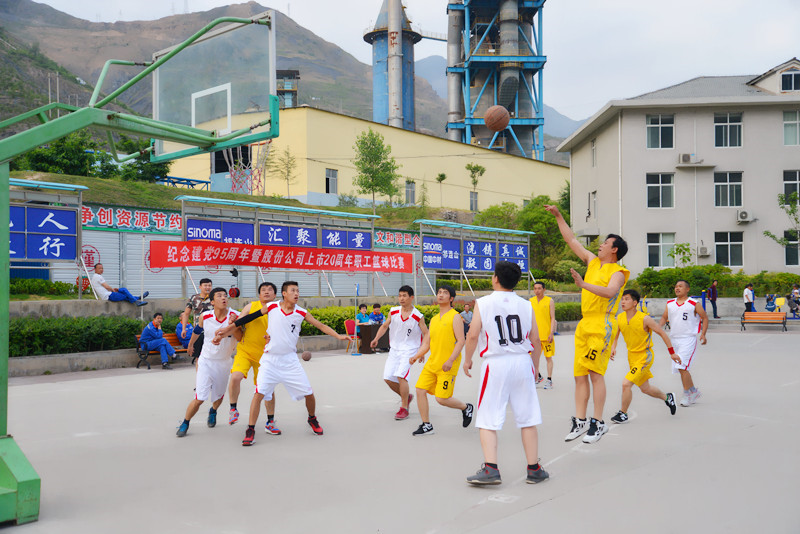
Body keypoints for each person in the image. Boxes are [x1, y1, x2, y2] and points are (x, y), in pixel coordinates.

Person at [214, 281, 348, 446]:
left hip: (289, 360)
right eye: (293, 291)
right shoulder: (272, 307)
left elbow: (320, 326)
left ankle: (312, 418)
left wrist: (339, 336)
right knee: (259, 393)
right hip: (270, 360)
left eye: (297, 291)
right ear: (284, 293)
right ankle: (250, 430)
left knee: (309, 393)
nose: (296, 294)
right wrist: (225, 331)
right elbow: (248, 318)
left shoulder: (301, 312)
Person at [545, 204, 629, 444]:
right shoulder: (592, 261)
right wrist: (559, 216)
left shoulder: (618, 272)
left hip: (603, 324)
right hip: (585, 324)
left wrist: (583, 285)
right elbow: (571, 240)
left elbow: (610, 292)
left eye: (605, 243)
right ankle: (580, 420)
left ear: (614, 249)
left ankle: (598, 422)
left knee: (595, 373)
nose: (600, 245)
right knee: (579, 375)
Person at [463, 261, 549, 486]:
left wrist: (467, 359)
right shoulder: (526, 305)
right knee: (528, 417)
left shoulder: (484, 303)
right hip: (522, 361)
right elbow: (536, 339)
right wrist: (535, 367)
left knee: (488, 417)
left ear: (495, 278)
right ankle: (534, 469)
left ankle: (491, 468)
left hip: (496, 362)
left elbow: (473, 335)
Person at [609, 289, 681, 424]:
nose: (623, 302)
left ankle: (622, 414)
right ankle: (668, 398)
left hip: (644, 357)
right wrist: (613, 348)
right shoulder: (620, 318)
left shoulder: (644, 319)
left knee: (626, 384)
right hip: (632, 357)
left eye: (626, 299)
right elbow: (615, 336)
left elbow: (662, 333)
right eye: (622, 299)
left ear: (635, 303)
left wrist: (672, 353)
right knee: (645, 389)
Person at [176, 288, 240, 437]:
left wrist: (233, 325)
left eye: (225, 296)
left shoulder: (235, 315)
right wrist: (191, 344)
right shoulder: (205, 316)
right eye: (219, 296)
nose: (224, 298)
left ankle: (213, 411)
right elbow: (197, 331)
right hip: (206, 361)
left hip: (223, 362)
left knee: (218, 397)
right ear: (212, 302)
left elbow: (240, 337)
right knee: (199, 397)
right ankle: (185, 423)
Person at [409, 285, 473, 436]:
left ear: (451, 298)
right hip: (433, 363)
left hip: (448, 364)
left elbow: (461, 341)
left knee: (442, 399)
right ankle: (426, 425)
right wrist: (416, 356)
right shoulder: (434, 319)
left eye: (445, 293)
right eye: (439, 292)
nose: (441, 295)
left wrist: (450, 360)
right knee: (420, 390)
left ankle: (466, 408)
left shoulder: (455, 316)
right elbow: (427, 343)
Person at [227, 282, 280, 434]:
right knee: (235, 377)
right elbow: (238, 325)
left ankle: (270, 422)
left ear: (275, 295)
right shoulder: (250, 307)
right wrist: (231, 323)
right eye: (263, 290)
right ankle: (233, 409)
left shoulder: (278, 310)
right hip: (245, 351)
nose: (266, 292)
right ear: (259, 294)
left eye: (270, 290)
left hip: (265, 356)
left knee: (267, 390)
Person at [369, 285, 428, 420]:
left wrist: (422, 352)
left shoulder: (418, 316)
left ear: (411, 297)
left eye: (404, 296)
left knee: (401, 376)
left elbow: (426, 334)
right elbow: (384, 326)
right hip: (394, 349)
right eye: (400, 295)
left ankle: (404, 408)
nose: (401, 298)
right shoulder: (393, 311)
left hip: (410, 350)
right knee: (388, 378)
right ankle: (406, 396)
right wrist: (376, 338)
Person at [659, 280, 708, 407]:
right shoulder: (670, 303)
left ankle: (687, 394)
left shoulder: (694, 303)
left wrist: (703, 334)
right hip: (674, 339)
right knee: (681, 369)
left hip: (688, 339)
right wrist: (658, 327)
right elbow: (664, 317)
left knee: (682, 367)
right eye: (676, 286)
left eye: (680, 286)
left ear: (687, 289)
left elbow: (704, 317)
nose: (677, 288)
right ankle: (694, 391)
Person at [529, 281, 556, 389]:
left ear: (544, 289)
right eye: (535, 288)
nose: (537, 291)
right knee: (531, 358)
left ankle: (549, 380)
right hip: (535, 337)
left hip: (547, 336)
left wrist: (551, 332)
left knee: (548, 358)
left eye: (539, 288)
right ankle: (538, 376)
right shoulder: (531, 301)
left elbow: (552, 318)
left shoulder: (549, 301)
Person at [182, 278, 213, 361]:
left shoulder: (214, 298)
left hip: (212, 332)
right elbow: (186, 314)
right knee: (198, 357)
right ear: (200, 287)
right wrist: (184, 329)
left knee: (212, 357)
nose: (208, 287)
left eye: (209, 285)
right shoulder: (194, 298)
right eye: (205, 285)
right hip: (198, 332)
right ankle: (199, 370)